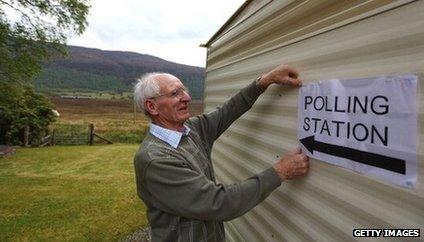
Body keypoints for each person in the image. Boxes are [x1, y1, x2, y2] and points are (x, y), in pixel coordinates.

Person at [133, 64, 309, 242]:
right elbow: (219, 203)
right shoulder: (155, 160)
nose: (186, 97)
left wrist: (264, 81)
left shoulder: (191, 129)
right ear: (152, 107)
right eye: (174, 93)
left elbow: (229, 110)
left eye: (183, 91)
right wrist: (280, 172)